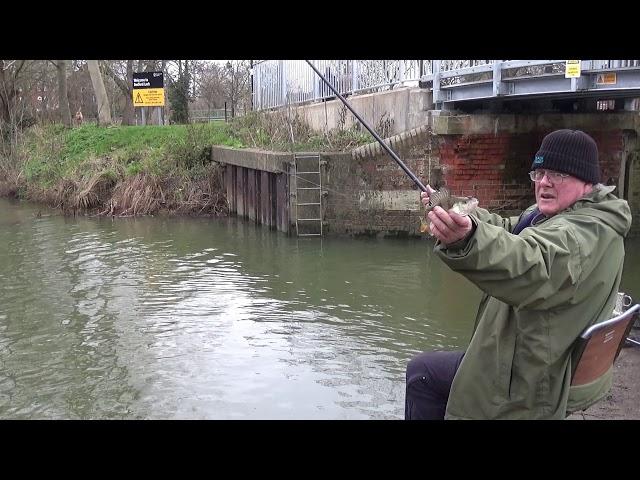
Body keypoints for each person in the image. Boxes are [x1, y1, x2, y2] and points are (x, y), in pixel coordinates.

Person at [405, 129, 632, 420]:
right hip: (530, 361)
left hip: (528, 383)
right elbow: (509, 230)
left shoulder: (578, 237)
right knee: (421, 370)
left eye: (559, 174)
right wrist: (458, 211)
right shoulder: (556, 216)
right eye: (540, 173)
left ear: (587, 181)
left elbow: (529, 260)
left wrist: (470, 238)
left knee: (423, 377)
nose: (545, 182)